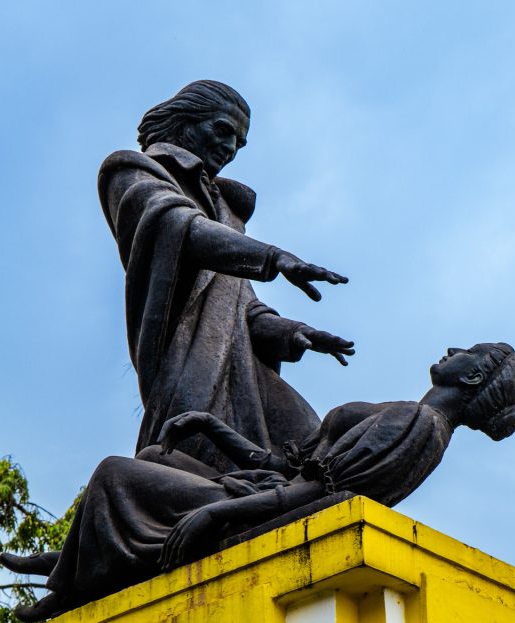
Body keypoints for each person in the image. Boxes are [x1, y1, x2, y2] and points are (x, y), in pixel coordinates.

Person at [2, 343, 515, 623]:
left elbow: (319, 495)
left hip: (263, 510)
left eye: (468, 350)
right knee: (150, 457)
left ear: (472, 377)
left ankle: (65, 592)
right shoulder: (421, 424)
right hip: (266, 492)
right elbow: (287, 466)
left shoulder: (415, 424)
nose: (452, 348)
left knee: (114, 473)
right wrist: (209, 426)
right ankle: (68, 564)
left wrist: (216, 512)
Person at [99, 79, 354, 469]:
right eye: (222, 130)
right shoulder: (131, 171)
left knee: (314, 451)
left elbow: (242, 308)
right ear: (184, 120)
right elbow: (183, 228)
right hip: (190, 372)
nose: (231, 147)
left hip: (246, 374)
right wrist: (273, 257)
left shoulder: (227, 213)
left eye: (240, 142)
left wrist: (291, 332)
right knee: (200, 468)